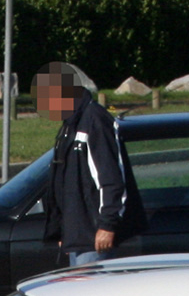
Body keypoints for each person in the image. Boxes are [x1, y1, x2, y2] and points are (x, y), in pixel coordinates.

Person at [37, 62, 143, 266]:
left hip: (93, 238)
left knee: (90, 294)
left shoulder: (94, 119)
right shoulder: (70, 124)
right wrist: (63, 229)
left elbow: (110, 177)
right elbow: (63, 181)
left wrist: (107, 226)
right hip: (77, 237)